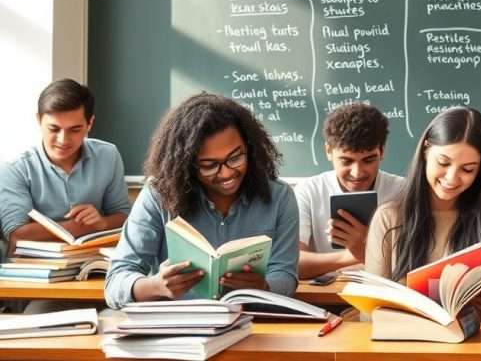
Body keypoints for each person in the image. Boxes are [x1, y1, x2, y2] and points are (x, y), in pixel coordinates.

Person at [105, 93, 299, 309]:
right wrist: (156, 286)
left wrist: (264, 287)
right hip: (178, 324)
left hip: (251, 322)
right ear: (186, 164)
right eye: (209, 165)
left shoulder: (279, 197)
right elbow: (115, 283)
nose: (226, 173)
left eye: (236, 157)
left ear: (250, 148)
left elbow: (285, 276)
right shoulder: (158, 195)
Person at [363, 107, 481, 322]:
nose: (452, 178)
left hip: (474, 339)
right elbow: (369, 312)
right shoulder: (389, 217)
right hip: (406, 338)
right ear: (425, 151)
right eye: (443, 163)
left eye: (468, 169)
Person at [0, 79, 130, 253]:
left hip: (94, 261)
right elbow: (16, 234)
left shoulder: (108, 155)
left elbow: (124, 216)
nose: (63, 140)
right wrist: (81, 226)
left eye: (75, 130)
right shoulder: (15, 167)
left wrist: (103, 222)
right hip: (34, 265)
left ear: (90, 124)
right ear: (39, 120)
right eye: (54, 129)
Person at [295, 103, 404, 279]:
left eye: (368, 160)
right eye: (346, 161)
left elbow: (411, 264)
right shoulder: (308, 192)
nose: (357, 173)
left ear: (382, 151)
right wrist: (359, 252)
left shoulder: (401, 191)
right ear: (329, 151)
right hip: (323, 293)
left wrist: (365, 248)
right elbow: (293, 264)